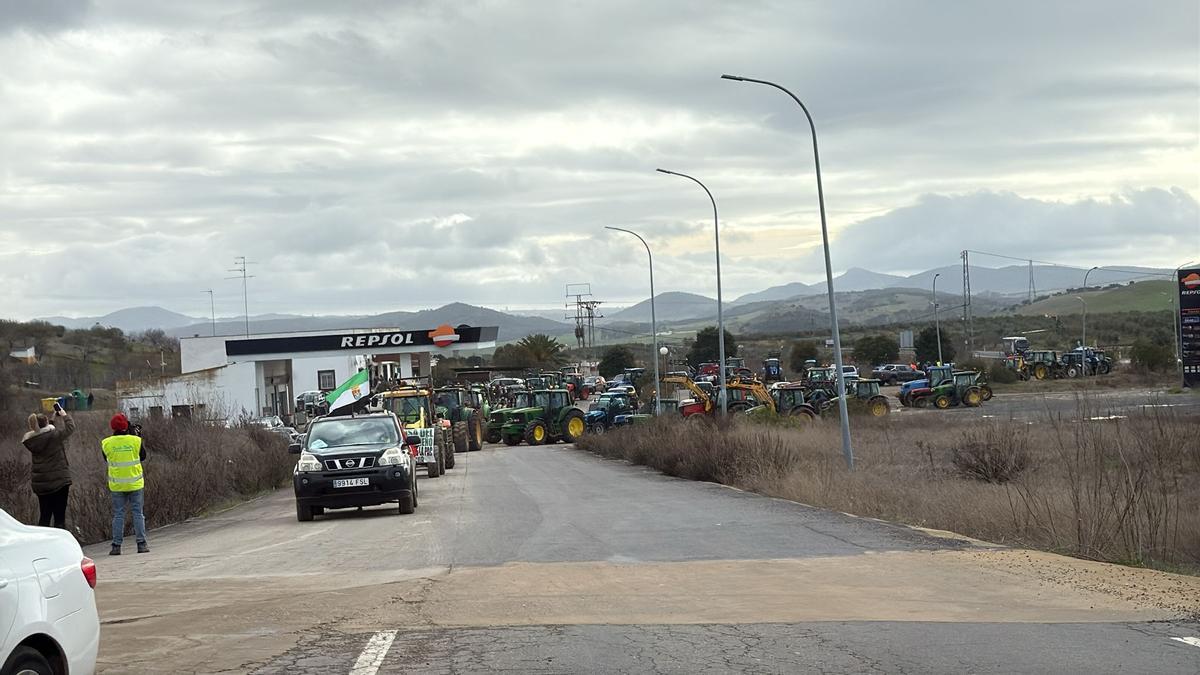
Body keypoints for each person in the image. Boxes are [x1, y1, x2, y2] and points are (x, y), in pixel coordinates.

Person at [21, 405, 75, 529]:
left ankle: (42, 545)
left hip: (42, 484)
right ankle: (59, 545)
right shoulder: (54, 436)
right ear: (46, 423)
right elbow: (71, 428)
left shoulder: (33, 440)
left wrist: (52, 420)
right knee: (59, 518)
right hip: (59, 481)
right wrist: (64, 415)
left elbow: (44, 433)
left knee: (45, 517)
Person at [103, 413, 149, 555]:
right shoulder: (135, 440)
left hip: (117, 485)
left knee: (118, 515)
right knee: (138, 513)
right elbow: (143, 456)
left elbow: (106, 459)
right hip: (135, 483)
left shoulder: (106, 443)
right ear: (126, 426)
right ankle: (141, 544)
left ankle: (116, 546)